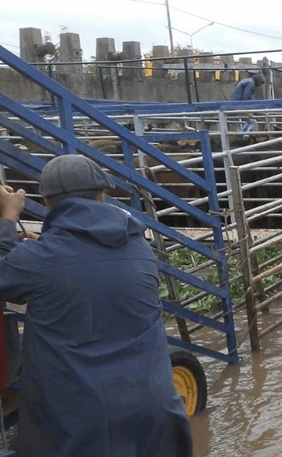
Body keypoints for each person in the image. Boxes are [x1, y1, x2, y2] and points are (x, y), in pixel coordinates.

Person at [0, 154, 193, 457]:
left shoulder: (39, 261)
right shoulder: (139, 246)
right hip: (156, 413)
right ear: (103, 194)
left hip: (80, 425)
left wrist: (8, 220)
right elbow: (84, 267)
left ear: (47, 201)